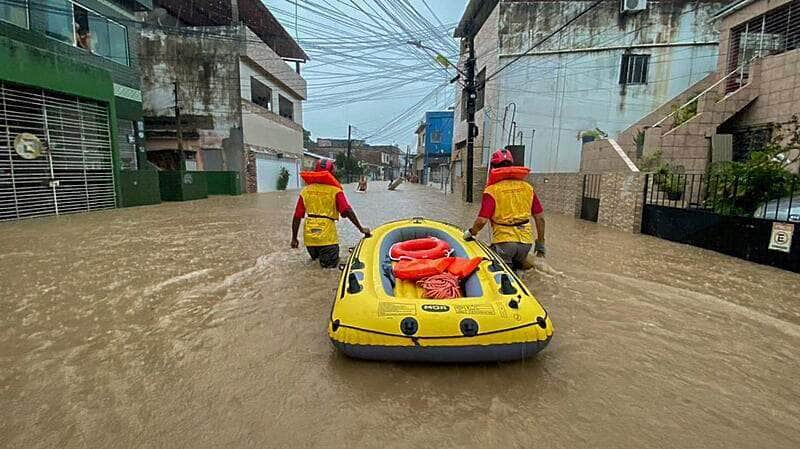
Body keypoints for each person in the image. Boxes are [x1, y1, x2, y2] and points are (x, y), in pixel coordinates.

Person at [463, 149, 546, 268]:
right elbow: (540, 218)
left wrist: (471, 232)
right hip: (526, 243)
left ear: (493, 167)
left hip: (504, 243)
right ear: (511, 165)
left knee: (501, 274)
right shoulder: (528, 188)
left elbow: (481, 221)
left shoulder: (492, 190)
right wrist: (541, 243)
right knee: (520, 271)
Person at [291, 160, 370, 268]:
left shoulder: (305, 191)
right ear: (331, 173)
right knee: (329, 270)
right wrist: (361, 228)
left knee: (315, 268)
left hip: (309, 237)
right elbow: (347, 211)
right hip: (327, 237)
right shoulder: (335, 191)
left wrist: (294, 238)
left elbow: (297, 216)